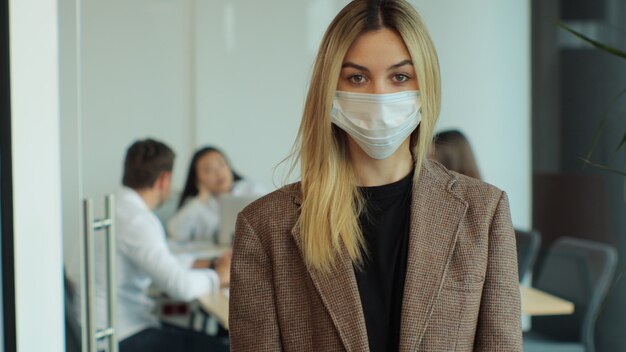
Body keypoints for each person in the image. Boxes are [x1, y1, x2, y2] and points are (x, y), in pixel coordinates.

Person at [229, 1, 522, 351]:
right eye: (357, 77)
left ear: (425, 84)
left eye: (400, 77)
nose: (380, 96)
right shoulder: (264, 227)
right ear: (328, 90)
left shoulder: (484, 211)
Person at [112, 139, 230, 352]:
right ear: (164, 179)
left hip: (114, 327)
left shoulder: (118, 206)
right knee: (226, 347)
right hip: (124, 335)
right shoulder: (137, 221)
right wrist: (221, 276)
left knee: (216, 341)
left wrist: (209, 263)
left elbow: (162, 259)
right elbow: (180, 286)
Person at [167, 146, 266, 242]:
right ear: (197, 179)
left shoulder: (251, 189)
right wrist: (201, 199)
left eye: (221, 164)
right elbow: (175, 233)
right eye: (209, 170)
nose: (219, 173)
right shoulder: (196, 204)